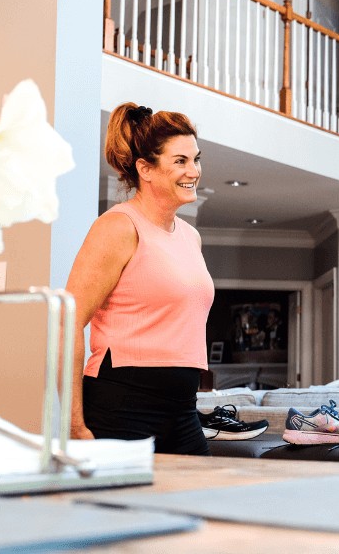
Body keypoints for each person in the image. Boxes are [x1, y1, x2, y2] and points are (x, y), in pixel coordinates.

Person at [65, 102, 214, 455]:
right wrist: (73, 424)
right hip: (122, 408)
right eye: (180, 161)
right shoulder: (118, 226)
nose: (193, 170)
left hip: (182, 409)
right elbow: (67, 321)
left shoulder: (190, 236)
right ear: (145, 168)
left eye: (196, 159)